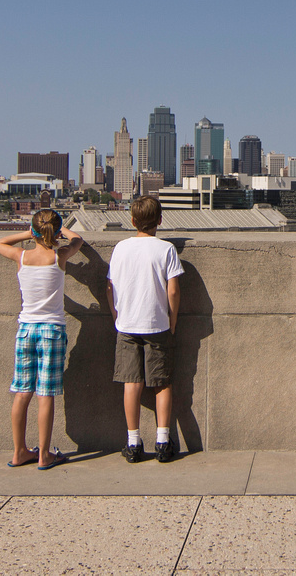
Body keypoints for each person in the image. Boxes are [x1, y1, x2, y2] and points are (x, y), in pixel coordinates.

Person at [0, 209, 84, 470]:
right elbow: (77, 240)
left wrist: (30, 232)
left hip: (26, 330)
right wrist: (61, 231)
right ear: (54, 232)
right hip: (52, 331)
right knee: (46, 395)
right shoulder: (59, 255)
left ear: (34, 231)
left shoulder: (22, 256)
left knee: (22, 393)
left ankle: (19, 451)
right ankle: (44, 455)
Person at [107, 195, 183, 463]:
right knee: (162, 382)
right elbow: (173, 290)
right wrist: (172, 320)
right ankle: (163, 441)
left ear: (132, 220)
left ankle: (133, 441)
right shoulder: (166, 250)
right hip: (158, 323)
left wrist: (117, 314)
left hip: (127, 324)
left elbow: (110, 287)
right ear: (160, 220)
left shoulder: (120, 248)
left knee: (132, 382)